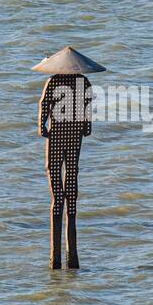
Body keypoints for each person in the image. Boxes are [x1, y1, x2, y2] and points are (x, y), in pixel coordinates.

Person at [33, 47, 104, 268]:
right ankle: (70, 208)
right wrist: (86, 127)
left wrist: (42, 126)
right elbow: (88, 111)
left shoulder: (53, 83)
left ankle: (58, 206)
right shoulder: (85, 84)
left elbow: (44, 105)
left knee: (54, 172)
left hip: (57, 136)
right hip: (75, 136)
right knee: (72, 172)